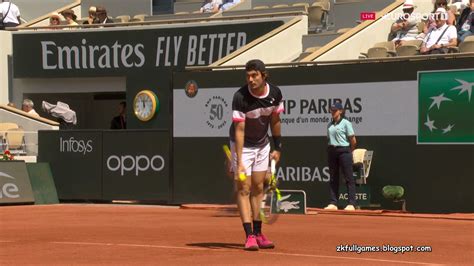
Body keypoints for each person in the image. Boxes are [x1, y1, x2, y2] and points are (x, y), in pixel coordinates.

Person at [230, 59, 283, 251]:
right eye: (248, 76)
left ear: (264, 75)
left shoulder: (275, 93)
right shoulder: (240, 97)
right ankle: (249, 235)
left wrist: (277, 147)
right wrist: (239, 162)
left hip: (263, 144)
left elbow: (275, 121)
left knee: (259, 187)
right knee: (244, 188)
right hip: (243, 146)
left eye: (254, 76)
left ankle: (259, 233)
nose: (251, 80)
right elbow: (240, 130)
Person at [324, 102, 357, 211]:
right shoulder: (329, 125)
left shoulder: (346, 123)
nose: (332, 112)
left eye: (335, 110)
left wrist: (350, 151)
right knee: (333, 177)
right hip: (332, 151)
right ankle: (333, 203)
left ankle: (351, 203)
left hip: (344, 151)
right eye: (331, 110)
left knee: (348, 177)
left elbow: (353, 140)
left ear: (340, 111)